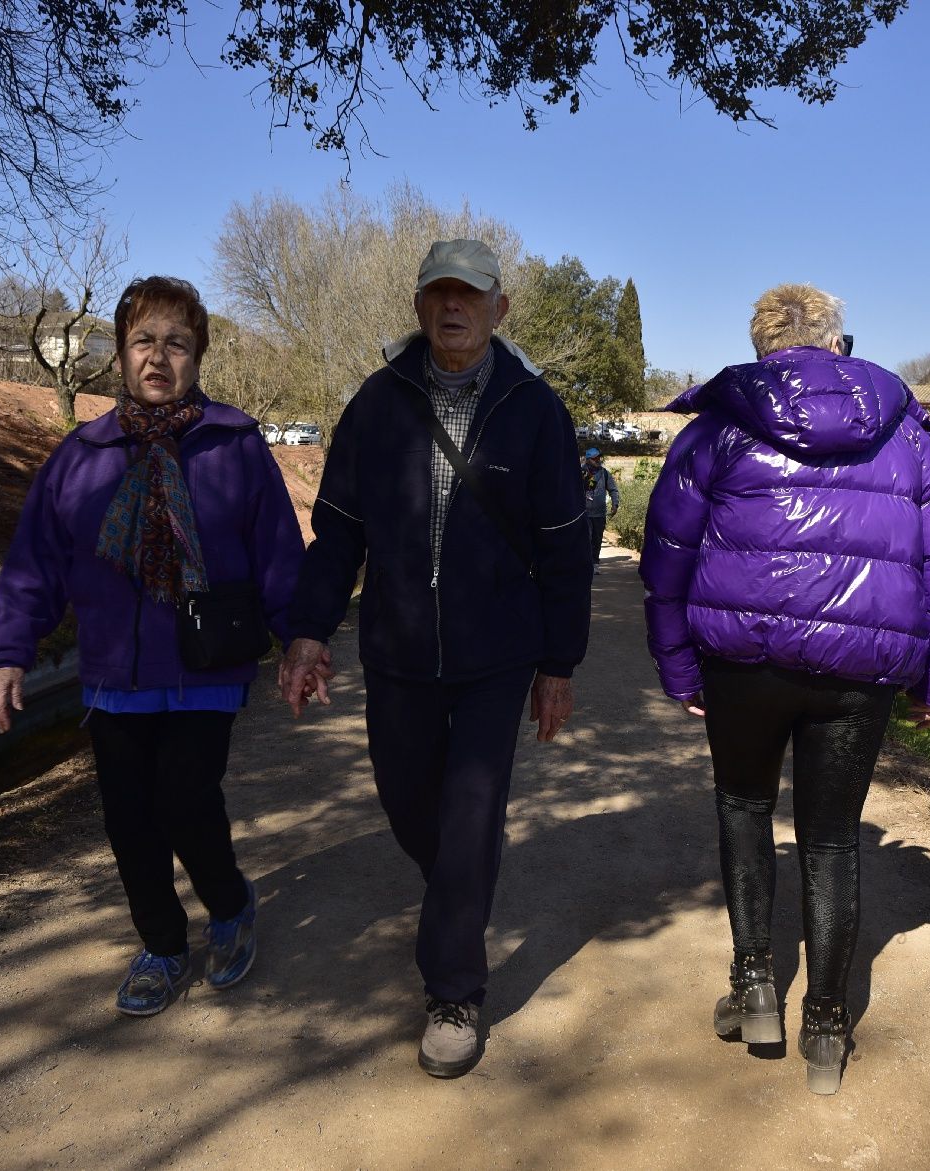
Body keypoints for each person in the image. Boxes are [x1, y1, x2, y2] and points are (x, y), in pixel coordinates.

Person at [641, 284, 930, 1094]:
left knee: (744, 808)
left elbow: (667, 558)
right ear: (838, 344)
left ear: (763, 347)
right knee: (831, 839)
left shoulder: (715, 431)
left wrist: (678, 665)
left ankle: (755, 988)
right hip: (860, 670)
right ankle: (826, 1026)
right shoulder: (909, 437)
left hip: (743, 664)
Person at [278, 239, 592, 1079]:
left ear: (499, 308)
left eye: (470, 294)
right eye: (438, 293)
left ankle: (454, 988)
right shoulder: (377, 402)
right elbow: (337, 532)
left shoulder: (534, 408)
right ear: (419, 306)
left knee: (470, 811)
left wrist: (558, 664)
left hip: (498, 654)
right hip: (399, 650)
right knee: (411, 804)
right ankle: (459, 878)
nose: (453, 307)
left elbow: (566, 548)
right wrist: (309, 631)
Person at [0, 275, 304, 1017]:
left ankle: (230, 905)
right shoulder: (81, 454)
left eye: (177, 343)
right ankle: (162, 944)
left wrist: (300, 641)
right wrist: (11, 652)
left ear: (198, 355)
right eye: (143, 341)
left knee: (185, 799)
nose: (159, 357)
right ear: (122, 354)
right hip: (114, 672)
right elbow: (35, 563)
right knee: (129, 820)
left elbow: (279, 556)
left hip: (205, 664)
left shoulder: (234, 445)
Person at [580, 447, 620, 571]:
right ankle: (585, 563)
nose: (598, 460)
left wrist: (615, 504)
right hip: (583, 513)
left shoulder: (604, 473)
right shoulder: (580, 472)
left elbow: (613, 490)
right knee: (586, 539)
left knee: (597, 540)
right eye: (594, 458)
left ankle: (595, 563)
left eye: (599, 458)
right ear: (588, 459)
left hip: (599, 514)